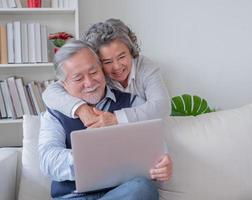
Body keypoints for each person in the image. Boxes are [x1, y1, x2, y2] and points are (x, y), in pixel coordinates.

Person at [39, 40, 172, 200]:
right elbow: (48, 160)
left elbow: (155, 147)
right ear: (64, 84)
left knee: (143, 188)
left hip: (123, 192)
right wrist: (89, 158)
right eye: (78, 78)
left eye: (94, 72)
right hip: (72, 196)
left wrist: (163, 163)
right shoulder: (55, 112)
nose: (89, 83)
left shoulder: (133, 103)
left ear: (102, 70)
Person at [42, 18, 171, 128]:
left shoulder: (146, 67)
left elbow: (162, 106)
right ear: (97, 61)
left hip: (141, 128)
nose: (117, 67)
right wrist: (81, 109)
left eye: (121, 57)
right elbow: (50, 92)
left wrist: (115, 119)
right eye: (107, 61)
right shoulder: (96, 75)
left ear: (131, 51)